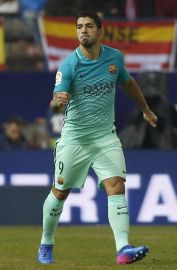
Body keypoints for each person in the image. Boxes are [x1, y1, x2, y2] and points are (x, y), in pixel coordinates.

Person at [37, 12, 158, 265]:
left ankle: (123, 248)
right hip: (75, 139)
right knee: (60, 192)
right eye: (79, 26)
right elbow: (56, 102)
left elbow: (128, 84)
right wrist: (57, 103)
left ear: (100, 31)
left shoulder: (114, 57)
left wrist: (145, 109)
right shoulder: (69, 65)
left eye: (89, 26)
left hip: (105, 137)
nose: (84, 31)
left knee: (116, 186)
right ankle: (46, 241)